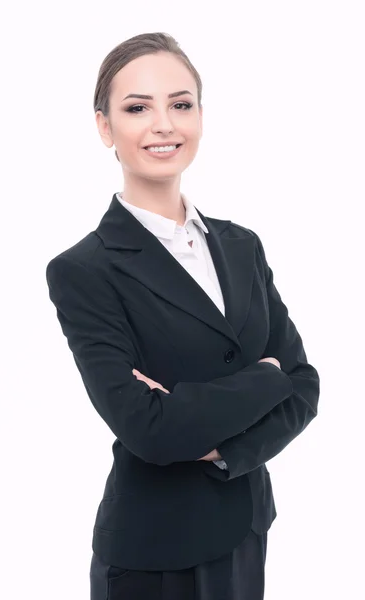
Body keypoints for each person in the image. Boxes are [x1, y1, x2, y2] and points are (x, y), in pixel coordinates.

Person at [46, 32, 320, 600]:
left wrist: (223, 447)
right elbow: (148, 429)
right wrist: (264, 377)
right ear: (105, 128)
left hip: (245, 530)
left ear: (200, 115)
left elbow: (304, 386)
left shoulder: (241, 246)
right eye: (137, 108)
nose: (164, 124)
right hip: (154, 555)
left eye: (180, 103)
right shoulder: (84, 270)